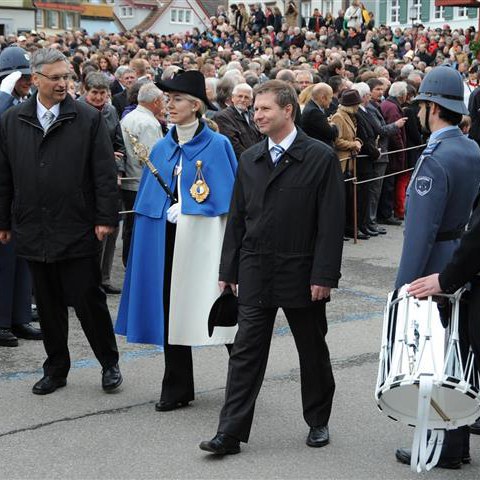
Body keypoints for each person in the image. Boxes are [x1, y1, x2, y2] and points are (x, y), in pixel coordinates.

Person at [199, 80, 345, 455]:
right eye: (255, 109)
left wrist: (324, 276)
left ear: (288, 111)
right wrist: (227, 270)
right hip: (256, 269)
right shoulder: (250, 159)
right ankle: (229, 433)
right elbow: (238, 219)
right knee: (245, 353)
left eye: (265, 109)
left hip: (303, 272)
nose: (257, 115)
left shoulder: (319, 157)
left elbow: (330, 223)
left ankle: (318, 420)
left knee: (311, 351)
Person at [0, 48, 122, 394]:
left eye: (66, 77)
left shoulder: (86, 118)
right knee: (49, 305)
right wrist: (4, 220)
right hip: (32, 226)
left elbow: (103, 170)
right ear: (35, 79)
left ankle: (109, 362)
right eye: (55, 78)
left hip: (76, 225)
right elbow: (3, 176)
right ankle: (56, 368)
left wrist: (104, 217)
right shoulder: (12, 120)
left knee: (88, 300)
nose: (63, 84)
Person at [116, 71, 238, 412]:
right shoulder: (161, 146)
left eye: (177, 99)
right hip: (167, 242)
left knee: (220, 311)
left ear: (196, 105)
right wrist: (165, 210)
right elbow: (150, 198)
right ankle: (177, 385)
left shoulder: (218, 145)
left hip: (204, 245)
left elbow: (229, 198)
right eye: (167, 99)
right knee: (171, 310)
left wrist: (190, 205)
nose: (169, 105)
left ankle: (243, 381)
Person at [393, 66, 480, 469]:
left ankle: (446, 446)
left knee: (437, 363)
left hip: (438, 266)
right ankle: (456, 443)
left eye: (421, 107)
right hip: (464, 259)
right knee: (458, 358)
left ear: (430, 108)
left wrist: (402, 286)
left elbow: (420, 233)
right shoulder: (471, 148)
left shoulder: (435, 157)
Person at [0, 46, 42, 347]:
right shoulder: (3, 102)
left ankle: (19, 317)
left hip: (23, 191)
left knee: (21, 258)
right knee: (3, 261)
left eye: (29, 76)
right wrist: (3, 96)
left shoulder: (23, 102)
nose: (27, 81)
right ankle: (2, 322)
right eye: (22, 76)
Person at [81, 71, 126, 294]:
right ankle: (88, 281)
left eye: (102, 94)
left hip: (110, 179)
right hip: (86, 181)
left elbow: (120, 145)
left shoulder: (110, 111)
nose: (99, 98)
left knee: (111, 231)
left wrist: (117, 170)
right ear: (84, 92)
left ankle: (104, 278)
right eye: (94, 93)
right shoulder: (77, 111)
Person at [120, 82, 164, 267]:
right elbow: (152, 158)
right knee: (136, 227)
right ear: (155, 102)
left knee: (130, 227)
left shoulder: (130, 117)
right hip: (140, 182)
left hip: (131, 179)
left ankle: (129, 260)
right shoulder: (148, 123)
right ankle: (133, 262)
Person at [214, 83, 263, 160]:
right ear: (232, 98)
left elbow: (261, 136)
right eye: (240, 96)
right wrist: (250, 160)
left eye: (246, 97)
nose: (243, 100)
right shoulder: (223, 116)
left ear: (251, 101)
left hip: (258, 158)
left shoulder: (253, 115)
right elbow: (233, 144)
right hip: (241, 162)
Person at [300, 82, 338, 147]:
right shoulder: (314, 112)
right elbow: (332, 134)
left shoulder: (311, 107)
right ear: (323, 98)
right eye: (330, 98)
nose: (331, 101)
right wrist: (333, 124)